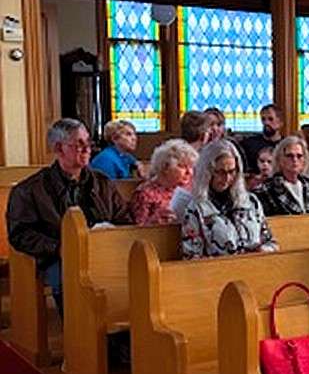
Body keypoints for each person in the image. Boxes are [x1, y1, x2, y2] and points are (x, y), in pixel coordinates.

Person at [6, 118, 128, 316]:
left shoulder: (102, 182)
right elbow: (20, 233)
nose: (87, 149)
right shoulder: (30, 190)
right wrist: (59, 247)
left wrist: (111, 236)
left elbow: (123, 218)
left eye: (88, 142)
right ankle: (80, 336)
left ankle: (122, 334)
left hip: (102, 251)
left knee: (129, 274)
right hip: (56, 257)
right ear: (58, 148)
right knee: (70, 279)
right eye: (79, 144)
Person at [180, 139, 277, 259]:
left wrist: (263, 250)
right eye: (220, 172)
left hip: (256, 267)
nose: (227, 178)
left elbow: (271, 243)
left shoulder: (251, 201)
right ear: (207, 172)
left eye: (232, 171)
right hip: (218, 273)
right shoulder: (196, 208)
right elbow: (192, 257)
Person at [129, 138, 198, 226]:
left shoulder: (191, 187)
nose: (189, 172)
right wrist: (154, 221)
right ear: (165, 167)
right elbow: (138, 231)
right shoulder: (145, 193)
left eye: (191, 167)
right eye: (182, 166)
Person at [253, 135, 309, 216]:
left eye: (299, 156)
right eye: (290, 156)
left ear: (304, 160)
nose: (295, 160)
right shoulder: (265, 190)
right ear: (280, 159)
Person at [239, 103, 283, 170]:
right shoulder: (249, 144)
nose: (266, 123)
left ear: (280, 123)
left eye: (270, 119)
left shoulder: (285, 145)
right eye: (263, 119)